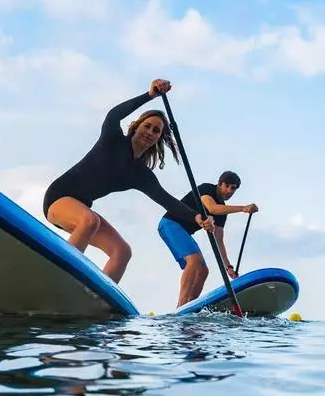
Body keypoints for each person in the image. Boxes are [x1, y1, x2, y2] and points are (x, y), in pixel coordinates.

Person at [43, 78, 215, 283]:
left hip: (81, 208)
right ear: (136, 126)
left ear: (159, 139)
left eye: (156, 131)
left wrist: (198, 217)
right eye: (147, 126)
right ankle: (59, 280)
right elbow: (113, 115)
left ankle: (96, 298)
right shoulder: (112, 140)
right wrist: (149, 95)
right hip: (58, 197)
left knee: (122, 252)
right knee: (90, 221)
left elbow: (168, 201)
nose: (150, 132)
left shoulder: (140, 175)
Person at [156, 170, 258, 307]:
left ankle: (189, 307)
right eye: (226, 186)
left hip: (182, 231)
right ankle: (180, 306)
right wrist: (243, 208)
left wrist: (228, 267)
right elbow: (212, 208)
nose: (229, 191)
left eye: (233, 188)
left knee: (203, 271)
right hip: (170, 224)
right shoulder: (207, 189)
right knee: (195, 260)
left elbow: (219, 240)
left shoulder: (223, 212)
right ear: (219, 184)